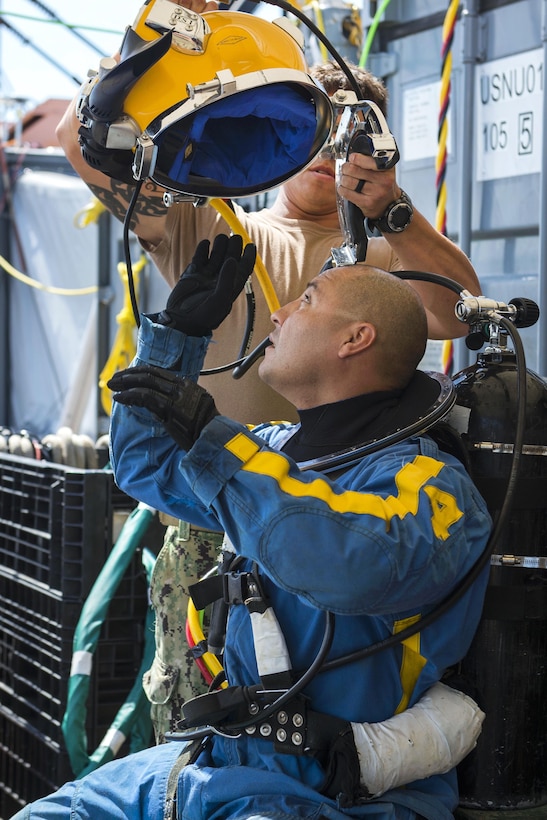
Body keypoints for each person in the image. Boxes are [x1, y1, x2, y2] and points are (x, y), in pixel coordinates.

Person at [14, 236, 491, 820]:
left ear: (354, 339)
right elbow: (145, 465)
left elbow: (349, 560)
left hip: (333, 796)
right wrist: (174, 339)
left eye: (307, 300)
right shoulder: (275, 450)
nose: (281, 313)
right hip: (220, 766)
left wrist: (220, 442)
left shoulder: (432, 486)